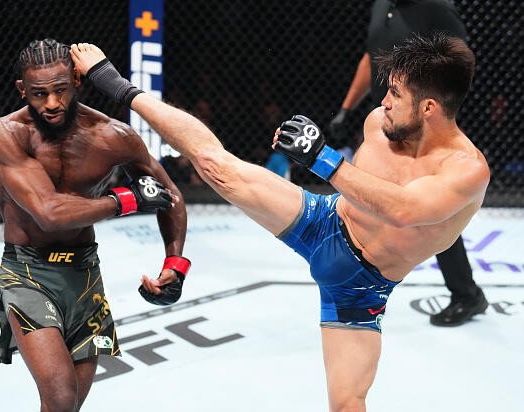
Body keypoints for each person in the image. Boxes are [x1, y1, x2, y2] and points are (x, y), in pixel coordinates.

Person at [71, 33, 489, 411]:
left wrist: (323, 160)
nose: (384, 103)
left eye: (396, 94)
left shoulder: (466, 171)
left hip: (362, 285)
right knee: (219, 168)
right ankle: (119, 87)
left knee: (347, 404)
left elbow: (403, 210)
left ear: (430, 107)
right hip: (323, 220)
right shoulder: (379, 125)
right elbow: (362, 188)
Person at [0, 39, 190, 411]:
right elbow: (46, 211)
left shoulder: (113, 136)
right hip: (27, 272)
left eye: (61, 90)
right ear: (21, 90)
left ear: (77, 79)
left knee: (71, 402)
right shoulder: (6, 133)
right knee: (60, 397)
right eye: (39, 94)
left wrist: (175, 264)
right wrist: (125, 201)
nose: (51, 103)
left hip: (83, 274)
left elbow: (170, 194)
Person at [329, 0, 488, 327]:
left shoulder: (436, 7)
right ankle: (359, 278)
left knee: (428, 210)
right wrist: (347, 108)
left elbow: (459, 68)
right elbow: (371, 59)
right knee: (379, 200)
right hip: (387, 120)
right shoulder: (381, 5)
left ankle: (466, 294)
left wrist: (434, 122)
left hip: (423, 126)